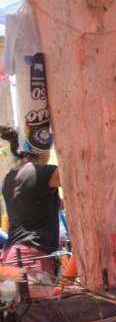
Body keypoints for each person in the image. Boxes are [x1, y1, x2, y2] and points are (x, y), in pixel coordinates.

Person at [0, 124, 61, 295]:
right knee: (41, 316)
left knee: (24, 315)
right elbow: (77, 179)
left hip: (12, 255)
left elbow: (36, 204)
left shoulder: (9, 177)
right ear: (43, 148)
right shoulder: (45, 173)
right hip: (32, 259)